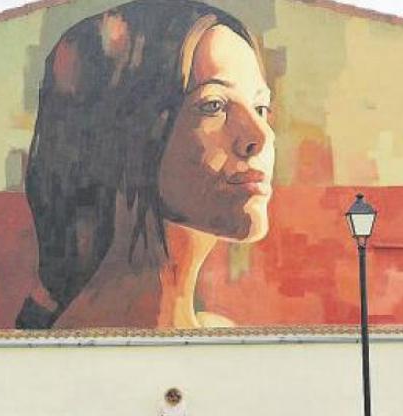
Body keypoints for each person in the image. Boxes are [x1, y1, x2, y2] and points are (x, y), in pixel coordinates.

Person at [16, 0, 275, 329]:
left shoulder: (220, 333)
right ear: (124, 133)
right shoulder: (80, 347)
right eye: (213, 105)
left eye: (261, 108)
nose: (260, 136)